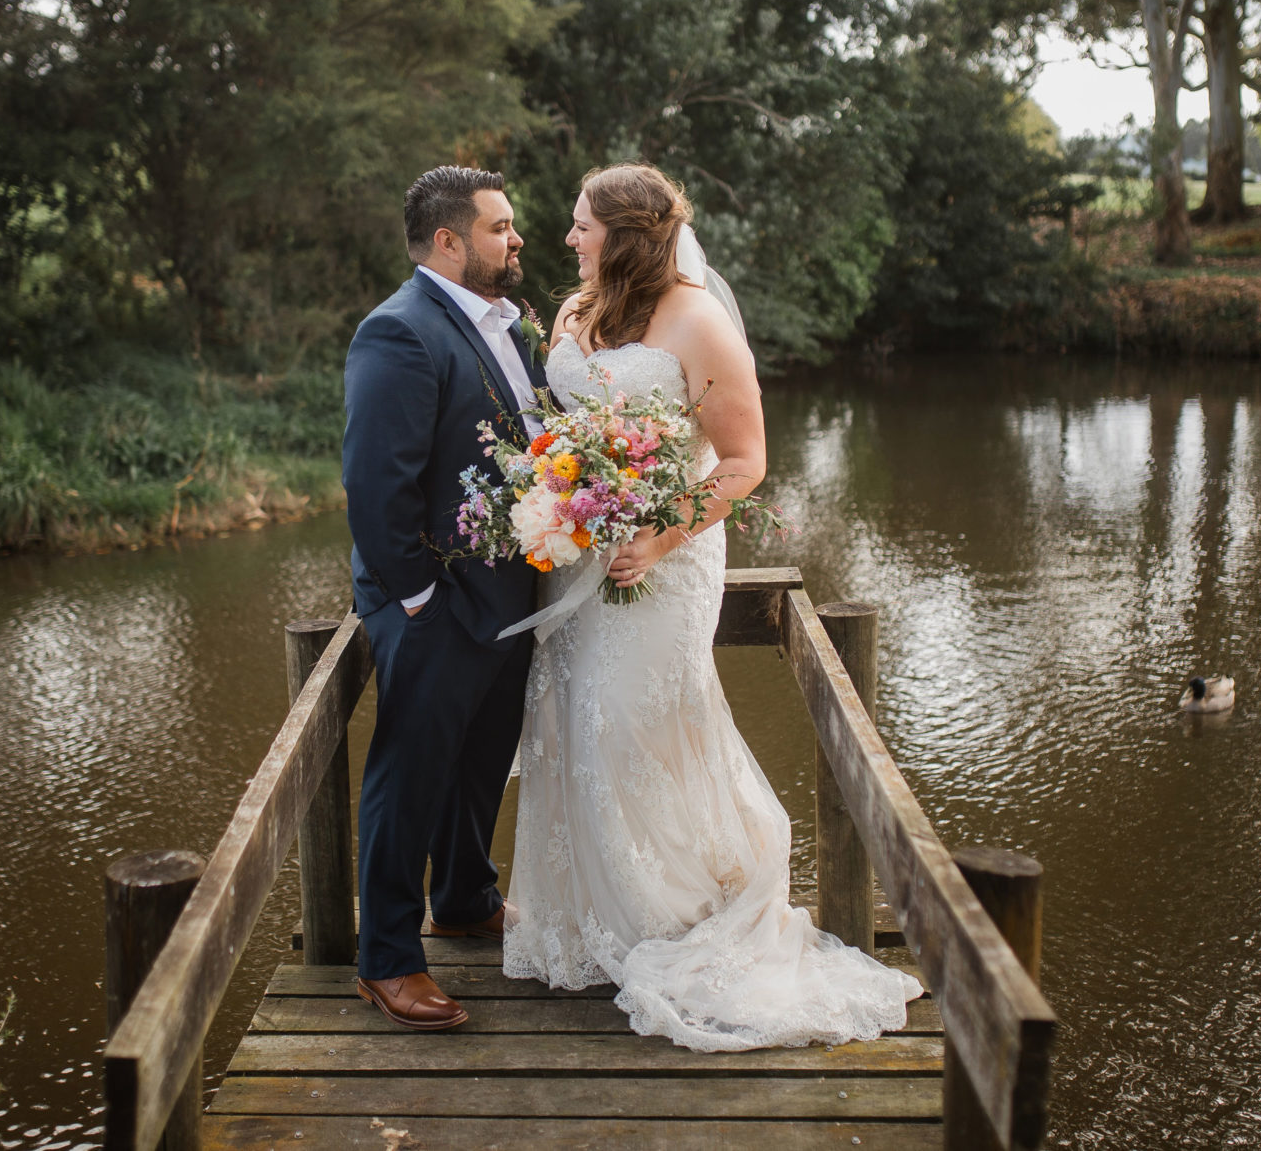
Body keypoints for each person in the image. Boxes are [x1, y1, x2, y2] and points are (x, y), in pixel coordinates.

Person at [503, 162, 921, 1050]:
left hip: (664, 564)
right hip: (577, 562)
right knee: (574, 724)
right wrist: (560, 494)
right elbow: (561, 430)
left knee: (635, 727)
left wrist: (654, 535)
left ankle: (668, 913)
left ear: (627, 234)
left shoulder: (698, 320)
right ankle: (583, 922)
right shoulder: (575, 313)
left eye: (582, 224)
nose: (568, 237)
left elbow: (742, 462)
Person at [340, 166, 547, 1030]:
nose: (518, 240)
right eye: (501, 227)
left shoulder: (508, 325)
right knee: (410, 774)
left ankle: (464, 895)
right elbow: (374, 485)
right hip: (434, 602)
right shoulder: (398, 332)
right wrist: (419, 598)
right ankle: (386, 956)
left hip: (507, 592)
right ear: (450, 241)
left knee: (481, 762)